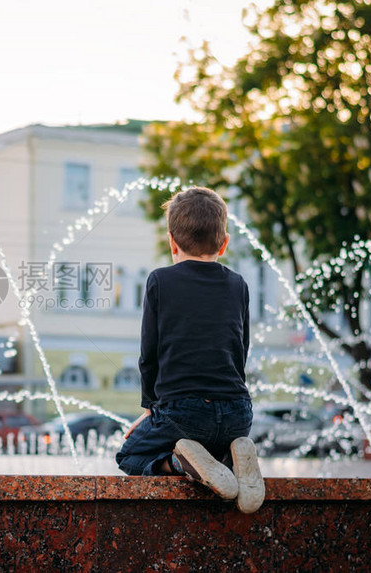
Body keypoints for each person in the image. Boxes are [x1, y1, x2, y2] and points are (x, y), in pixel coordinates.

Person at [115, 186, 264, 514]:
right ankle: (233, 456)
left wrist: (148, 410)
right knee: (212, 447)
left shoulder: (159, 281)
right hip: (238, 413)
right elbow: (241, 351)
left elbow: (148, 355)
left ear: (171, 241)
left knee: (128, 456)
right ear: (224, 243)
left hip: (183, 414)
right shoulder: (238, 284)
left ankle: (180, 464)